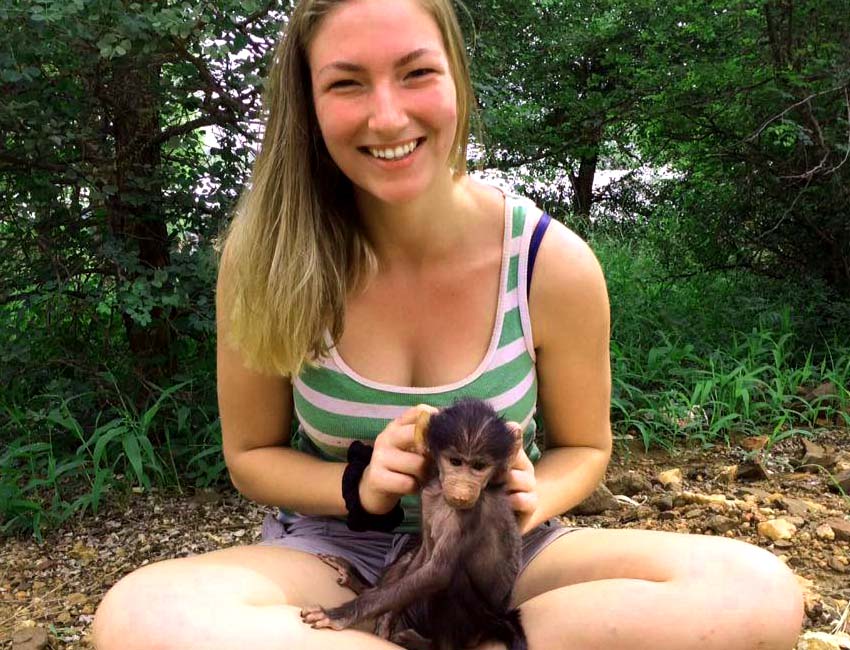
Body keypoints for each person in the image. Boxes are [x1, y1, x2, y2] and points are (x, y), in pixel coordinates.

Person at [92, 1, 804, 648]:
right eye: (347, 83)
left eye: (416, 73)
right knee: (140, 616)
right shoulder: (267, 263)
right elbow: (251, 455)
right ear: (308, 104)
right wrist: (358, 486)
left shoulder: (550, 264)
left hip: (501, 556)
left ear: (457, 78)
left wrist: (528, 496)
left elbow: (585, 447)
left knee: (754, 591)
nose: (387, 117)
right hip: (333, 554)